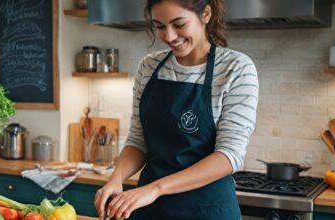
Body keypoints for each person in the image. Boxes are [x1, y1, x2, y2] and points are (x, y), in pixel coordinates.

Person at [94, 0, 258, 219]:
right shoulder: (149, 67)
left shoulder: (236, 69)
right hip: (149, 211)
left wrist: (155, 188)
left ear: (206, 14)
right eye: (160, 26)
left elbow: (230, 155)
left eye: (179, 24)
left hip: (207, 210)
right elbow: (138, 140)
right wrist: (116, 179)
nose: (169, 36)